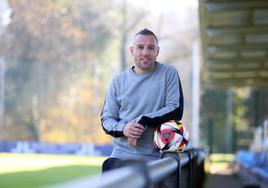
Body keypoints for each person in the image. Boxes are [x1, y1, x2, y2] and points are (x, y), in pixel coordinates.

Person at [101, 28, 184, 172]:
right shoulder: (118, 82)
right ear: (132, 50)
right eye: (140, 47)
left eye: (150, 48)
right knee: (108, 171)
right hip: (121, 156)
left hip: (156, 157)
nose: (145, 52)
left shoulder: (168, 74)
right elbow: (106, 120)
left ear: (157, 51)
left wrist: (144, 120)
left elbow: (175, 109)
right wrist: (124, 129)